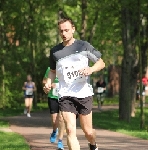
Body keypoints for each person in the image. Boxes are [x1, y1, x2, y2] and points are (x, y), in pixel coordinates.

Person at [43, 18, 105, 150]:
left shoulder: (83, 46)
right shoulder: (55, 51)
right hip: (65, 95)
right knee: (70, 130)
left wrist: (91, 69)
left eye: (66, 30)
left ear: (73, 29)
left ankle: (93, 145)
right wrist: (49, 81)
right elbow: (52, 71)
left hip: (83, 93)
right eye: (61, 31)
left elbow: (101, 63)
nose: (64, 33)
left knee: (88, 132)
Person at [43, 67, 65, 150]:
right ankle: (54, 131)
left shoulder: (67, 67)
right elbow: (44, 80)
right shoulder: (50, 69)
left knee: (61, 119)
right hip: (53, 97)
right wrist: (50, 84)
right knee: (54, 120)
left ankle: (60, 141)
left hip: (64, 97)